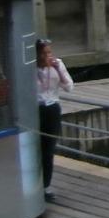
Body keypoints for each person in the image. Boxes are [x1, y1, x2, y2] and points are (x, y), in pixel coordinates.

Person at [35, 39, 73, 203]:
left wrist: (58, 69)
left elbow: (69, 87)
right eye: (43, 53)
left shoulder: (57, 64)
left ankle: (46, 186)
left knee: (48, 149)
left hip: (52, 107)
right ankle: (33, 184)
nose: (47, 56)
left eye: (49, 52)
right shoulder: (31, 69)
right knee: (35, 147)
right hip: (36, 108)